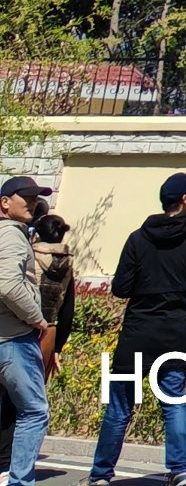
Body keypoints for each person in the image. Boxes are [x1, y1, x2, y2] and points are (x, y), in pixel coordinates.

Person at [92, 171, 186, 486]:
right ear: (184, 199)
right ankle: (180, 471)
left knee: (119, 407)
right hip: (176, 333)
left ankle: (101, 475)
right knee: (174, 402)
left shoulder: (138, 238)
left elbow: (121, 288)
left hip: (137, 333)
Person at [0, 209, 76, 464]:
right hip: (49, 332)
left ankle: (4, 458)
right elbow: (68, 309)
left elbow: (10, 288)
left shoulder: (26, 253)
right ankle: (11, 460)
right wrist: (58, 347)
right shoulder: (67, 263)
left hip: (20, 325)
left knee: (8, 394)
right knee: (27, 400)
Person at [0, 175, 50, 486]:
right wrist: (37, 318)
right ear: (5, 202)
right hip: (13, 338)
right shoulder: (11, 235)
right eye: (26, 197)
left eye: (35, 197)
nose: (32, 203)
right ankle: (19, 481)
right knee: (34, 411)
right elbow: (7, 284)